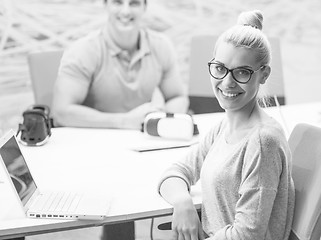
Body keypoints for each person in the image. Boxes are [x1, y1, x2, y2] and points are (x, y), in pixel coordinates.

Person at [158, 10, 295, 240]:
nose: (227, 82)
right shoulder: (224, 128)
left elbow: (247, 235)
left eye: (242, 72)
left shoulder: (262, 142)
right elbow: (175, 172)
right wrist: (183, 204)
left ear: (264, 75)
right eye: (220, 68)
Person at [52, 0, 188, 130]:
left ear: (144, 7)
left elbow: (178, 97)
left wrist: (160, 117)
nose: (126, 11)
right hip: (94, 142)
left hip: (144, 140)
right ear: (105, 5)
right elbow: (60, 112)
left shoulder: (161, 46)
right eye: (117, 2)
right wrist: (124, 121)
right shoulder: (84, 51)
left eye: (134, 3)